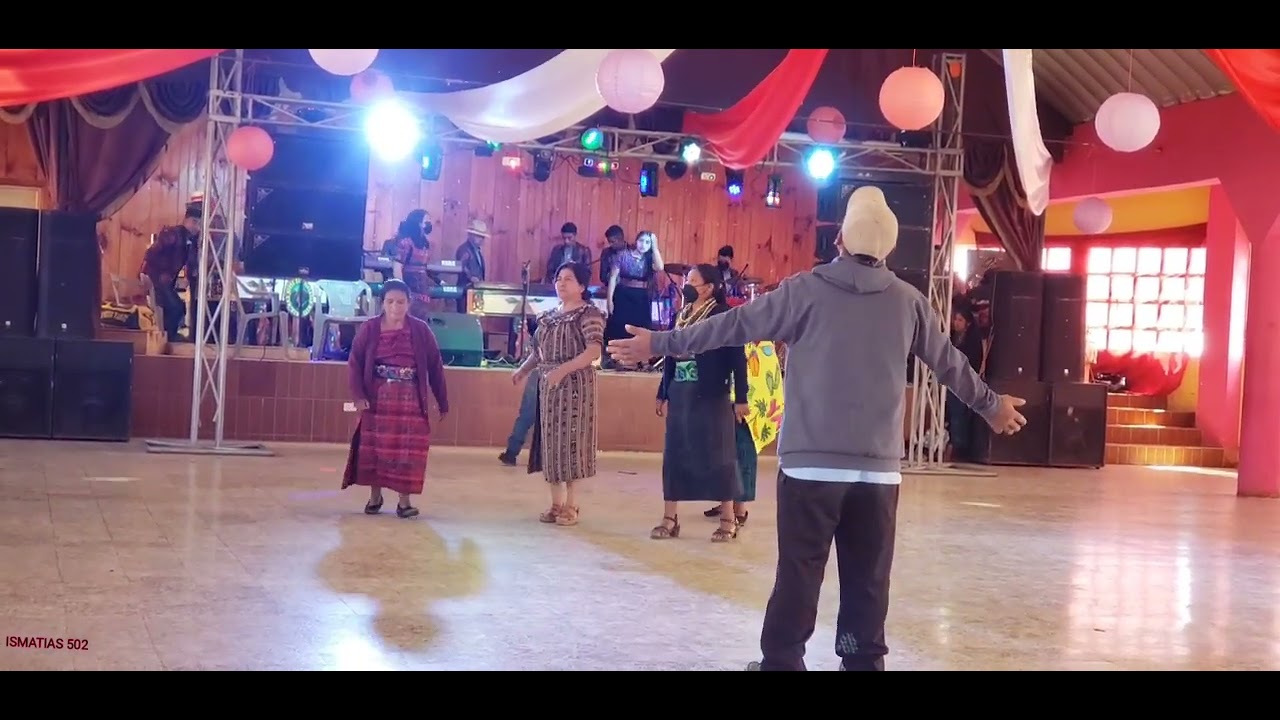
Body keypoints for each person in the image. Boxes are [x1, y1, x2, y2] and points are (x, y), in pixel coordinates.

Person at [606, 186, 1027, 672]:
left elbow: (730, 327)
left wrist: (662, 341)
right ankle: (861, 663)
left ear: (840, 241)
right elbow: (951, 364)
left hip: (810, 469)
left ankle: (782, 663)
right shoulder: (909, 302)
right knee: (868, 581)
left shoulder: (803, 290)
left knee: (799, 575)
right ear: (888, 249)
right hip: (878, 474)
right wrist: (992, 406)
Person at [651, 264, 749, 543]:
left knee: (719, 454)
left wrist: (741, 397)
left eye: (693, 280)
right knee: (675, 454)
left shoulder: (722, 315)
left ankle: (728, 519)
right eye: (686, 279)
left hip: (712, 392)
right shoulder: (680, 314)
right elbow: (670, 353)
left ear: (709, 287)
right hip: (680, 391)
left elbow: (736, 356)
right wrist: (663, 391)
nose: (686, 284)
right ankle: (670, 518)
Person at [342, 279, 450, 519]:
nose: (395, 307)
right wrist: (358, 396)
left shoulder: (421, 331)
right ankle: (375, 497)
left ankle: (404, 502)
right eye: (390, 302)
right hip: (377, 401)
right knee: (375, 450)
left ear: (409, 303)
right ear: (382, 303)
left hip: (410, 402)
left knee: (407, 452)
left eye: (400, 302)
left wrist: (442, 401)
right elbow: (355, 363)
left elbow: (435, 367)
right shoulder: (370, 329)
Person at [513, 262, 605, 527]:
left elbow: (593, 352)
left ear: (582, 286)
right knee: (551, 444)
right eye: (559, 278)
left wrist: (563, 370)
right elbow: (537, 352)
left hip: (576, 387)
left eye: (568, 279)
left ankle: (572, 505)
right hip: (549, 387)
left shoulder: (589, 314)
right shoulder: (549, 316)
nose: (561, 283)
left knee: (572, 444)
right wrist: (522, 370)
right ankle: (555, 503)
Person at [605, 230, 664, 369]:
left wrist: (655, 246)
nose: (644, 245)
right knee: (620, 326)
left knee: (641, 327)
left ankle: (641, 360)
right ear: (636, 241)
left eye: (647, 242)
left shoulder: (649, 259)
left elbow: (660, 267)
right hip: (623, 294)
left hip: (642, 297)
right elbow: (613, 278)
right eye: (641, 241)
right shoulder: (623, 255)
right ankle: (618, 359)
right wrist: (609, 301)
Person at [141, 205, 199, 342]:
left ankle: (168, 336)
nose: (197, 227)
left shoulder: (190, 240)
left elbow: (191, 263)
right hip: (156, 278)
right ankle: (168, 337)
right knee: (176, 307)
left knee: (177, 307)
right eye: (195, 222)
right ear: (186, 220)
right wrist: (153, 273)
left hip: (165, 281)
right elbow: (150, 253)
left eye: (199, 223)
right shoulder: (173, 234)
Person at [499, 317, 541, 467]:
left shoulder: (545, 329)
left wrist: (522, 371)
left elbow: (537, 354)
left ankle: (511, 452)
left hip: (538, 374)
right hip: (559, 376)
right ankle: (544, 456)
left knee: (526, 417)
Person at [392, 209, 437, 319]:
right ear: (418, 223)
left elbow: (424, 269)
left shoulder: (426, 244)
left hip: (422, 291)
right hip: (409, 291)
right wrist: (403, 291)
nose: (429, 224)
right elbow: (397, 267)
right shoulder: (406, 243)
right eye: (426, 221)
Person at [455, 219, 489, 313]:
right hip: (466, 290)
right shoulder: (464, 250)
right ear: (470, 235)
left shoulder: (476, 251)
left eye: (482, 237)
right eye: (479, 236)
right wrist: (471, 278)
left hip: (475, 291)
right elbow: (461, 266)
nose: (481, 239)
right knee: (465, 319)